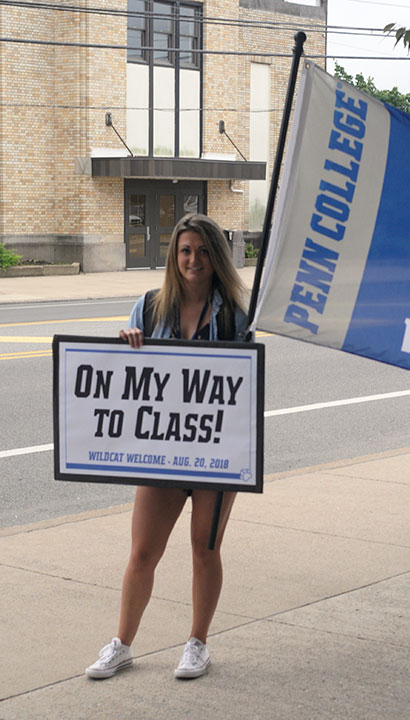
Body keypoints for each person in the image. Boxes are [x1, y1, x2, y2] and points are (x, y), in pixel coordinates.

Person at [86, 213, 249, 680]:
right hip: (160, 450)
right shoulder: (150, 307)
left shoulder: (234, 315)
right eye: (184, 251)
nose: (192, 259)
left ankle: (197, 644)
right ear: (174, 257)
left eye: (201, 250)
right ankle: (122, 644)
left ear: (215, 256)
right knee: (142, 553)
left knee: (205, 549)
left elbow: (244, 386)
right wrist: (126, 344)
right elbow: (127, 375)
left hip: (214, 452)